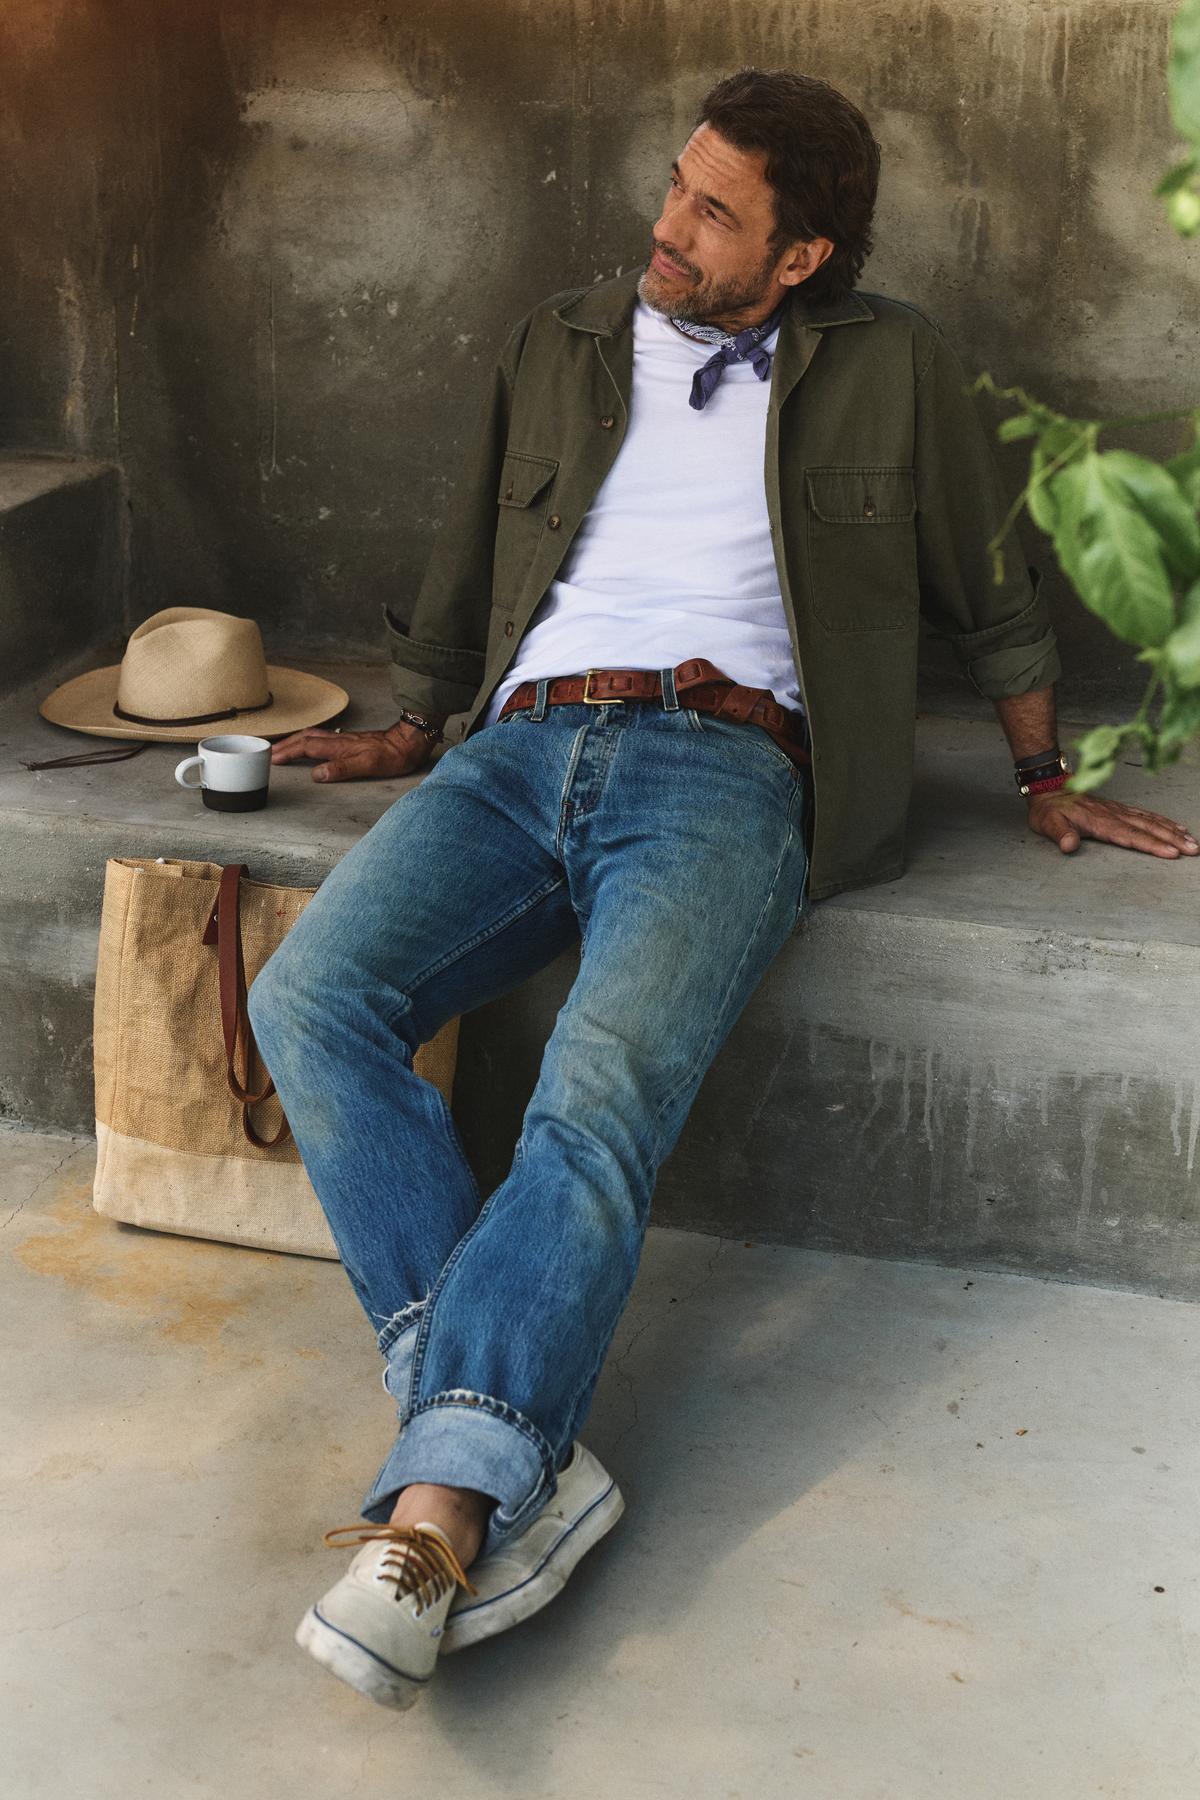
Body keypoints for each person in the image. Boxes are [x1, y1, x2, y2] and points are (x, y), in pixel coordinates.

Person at [248, 66, 1199, 1710]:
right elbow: (472, 539)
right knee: (308, 996)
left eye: (713, 211)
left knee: (595, 1097)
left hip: (727, 767)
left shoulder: (893, 367)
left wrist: (1050, 774)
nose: (666, 226)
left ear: (802, 256)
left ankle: (438, 1513)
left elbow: (992, 572)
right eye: (675, 185)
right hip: (519, 750)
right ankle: (499, 1431)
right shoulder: (558, 337)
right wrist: (411, 719)